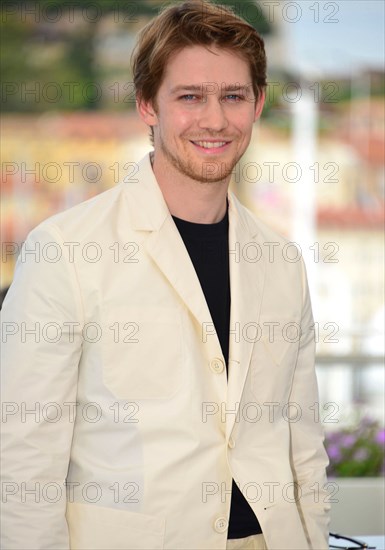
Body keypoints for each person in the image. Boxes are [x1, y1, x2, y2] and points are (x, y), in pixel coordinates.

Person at [1, 1, 331, 548]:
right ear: (146, 105)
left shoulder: (283, 262)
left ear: (259, 103)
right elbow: (21, 463)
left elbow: (304, 445)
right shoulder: (64, 251)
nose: (215, 119)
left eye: (233, 96)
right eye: (189, 97)